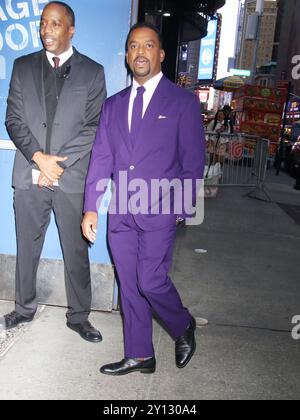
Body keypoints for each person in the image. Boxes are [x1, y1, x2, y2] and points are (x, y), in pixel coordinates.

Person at [82, 23, 206, 375]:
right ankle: (140, 354)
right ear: (126, 55)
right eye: (133, 46)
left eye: (148, 45)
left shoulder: (182, 102)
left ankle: (182, 324)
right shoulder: (113, 105)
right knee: (130, 285)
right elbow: (101, 157)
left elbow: (193, 160)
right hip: (121, 211)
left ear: (161, 54)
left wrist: (180, 208)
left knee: (151, 281)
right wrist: (92, 206)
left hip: (159, 207)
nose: (140, 51)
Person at [3, 1, 106, 343]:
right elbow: (13, 120)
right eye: (44, 22)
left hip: (70, 177)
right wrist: (38, 158)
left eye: (55, 23)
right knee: (26, 248)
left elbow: (94, 126)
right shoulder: (22, 67)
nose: (46, 29)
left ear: (70, 29)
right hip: (29, 175)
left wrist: (56, 163)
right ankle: (24, 308)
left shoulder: (93, 72)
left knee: (76, 251)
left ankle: (79, 316)